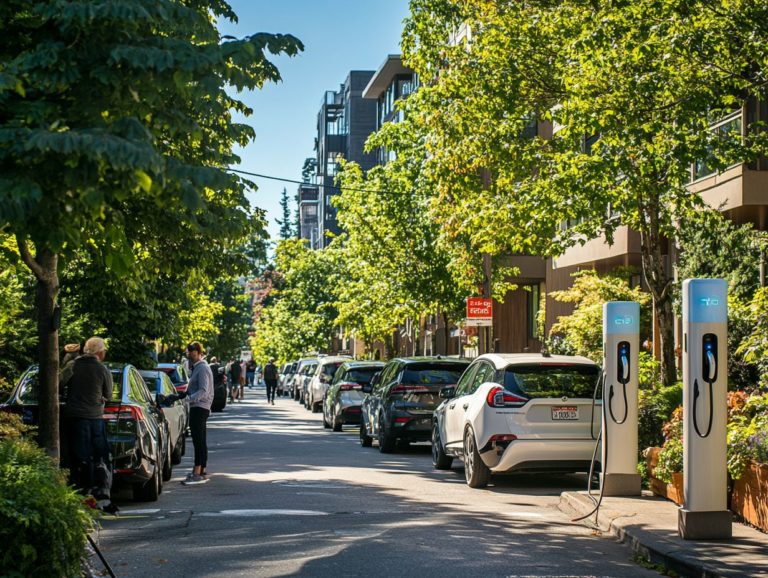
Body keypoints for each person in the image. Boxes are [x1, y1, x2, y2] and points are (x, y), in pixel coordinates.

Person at [61, 336, 116, 513]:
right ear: (99, 352)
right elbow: (109, 393)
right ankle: (99, 492)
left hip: (75, 417)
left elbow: (59, 383)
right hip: (95, 417)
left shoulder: (73, 366)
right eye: (104, 351)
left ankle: (80, 492)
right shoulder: (102, 369)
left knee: (78, 457)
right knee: (99, 456)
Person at [176, 341, 213, 485]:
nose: (190, 355)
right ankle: (200, 469)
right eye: (188, 352)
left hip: (199, 407)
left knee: (198, 440)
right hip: (199, 406)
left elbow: (203, 390)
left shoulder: (202, 368)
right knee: (200, 439)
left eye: (192, 352)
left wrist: (189, 400)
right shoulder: (197, 367)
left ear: (198, 352)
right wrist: (183, 395)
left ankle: (197, 471)